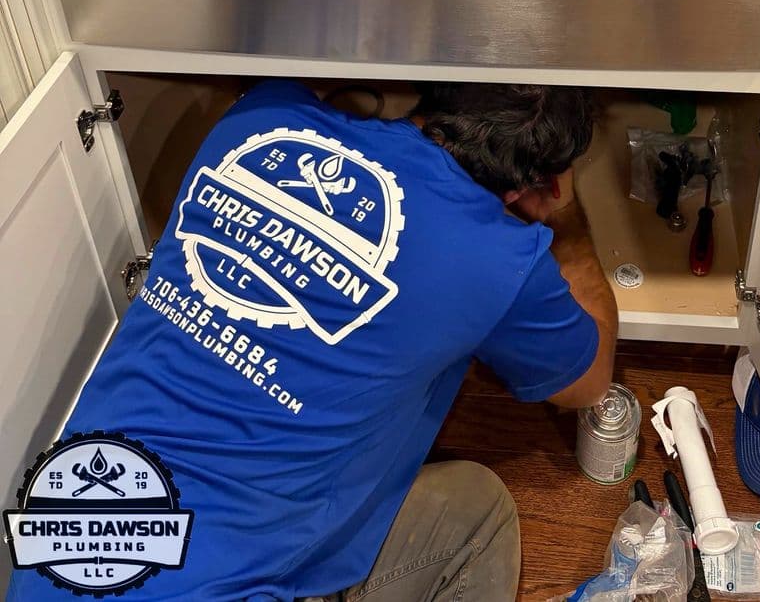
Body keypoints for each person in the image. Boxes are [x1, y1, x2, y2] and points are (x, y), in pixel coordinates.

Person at [8, 80, 617, 602]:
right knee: (476, 515)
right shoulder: (499, 260)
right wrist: (564, 226)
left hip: (58, 555)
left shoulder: (260, 116)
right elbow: (587, 383)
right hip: (226, 584)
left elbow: (340, 104)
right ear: (538, 185)